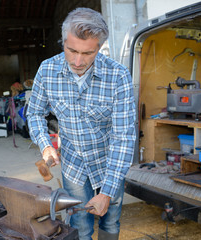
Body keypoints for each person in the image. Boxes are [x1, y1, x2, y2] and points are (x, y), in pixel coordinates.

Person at [26, 7, 136, 240]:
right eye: (71, 50)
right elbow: (35, 113)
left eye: (88, 53)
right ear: (63, 41)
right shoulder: (47, 71)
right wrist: (46, 145)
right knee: (80, 224)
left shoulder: (118, 77)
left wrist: (107, 192)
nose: (77, 61)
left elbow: (123, 138)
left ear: (100, 47)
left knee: (111, 220)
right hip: (74, 164)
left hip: (110, 164)